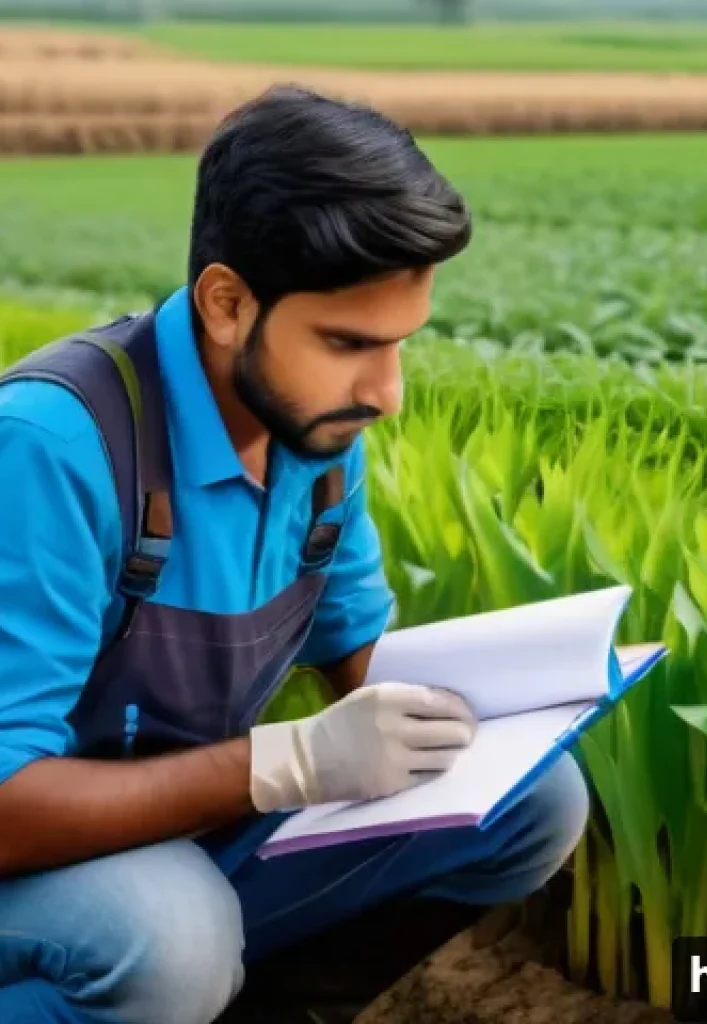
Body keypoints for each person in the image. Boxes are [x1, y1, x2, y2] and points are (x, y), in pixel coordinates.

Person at [0, 85, 589, 1024]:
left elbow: (362, 663)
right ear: (228, 304)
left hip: (179, 828)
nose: (387, 394)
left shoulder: (311, 437)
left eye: (398, 345)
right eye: (348, 343)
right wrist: (285, 764)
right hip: (32, 855)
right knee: (171, 938)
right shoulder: (53, 447)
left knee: (532, 798)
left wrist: (506, 704)